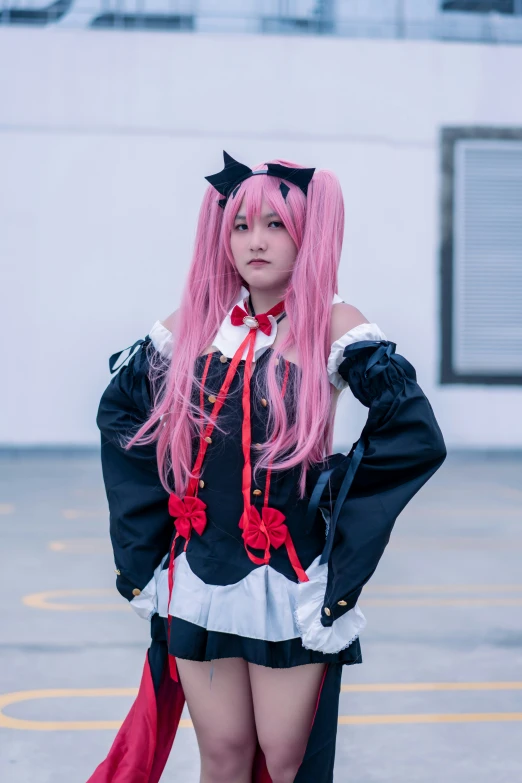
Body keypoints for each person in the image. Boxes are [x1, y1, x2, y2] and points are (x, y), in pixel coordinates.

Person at [87, 152, 447, 783]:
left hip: (288, 582)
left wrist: (335, 505)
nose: (256, 241)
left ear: (307, 234)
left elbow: (412, 431)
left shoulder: (333, 323)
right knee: (222, 755)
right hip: (198, 577)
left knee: (285, 761)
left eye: (276, 225)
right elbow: (121, 415)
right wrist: (150, 539)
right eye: (241, 225)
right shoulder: (195, 326)